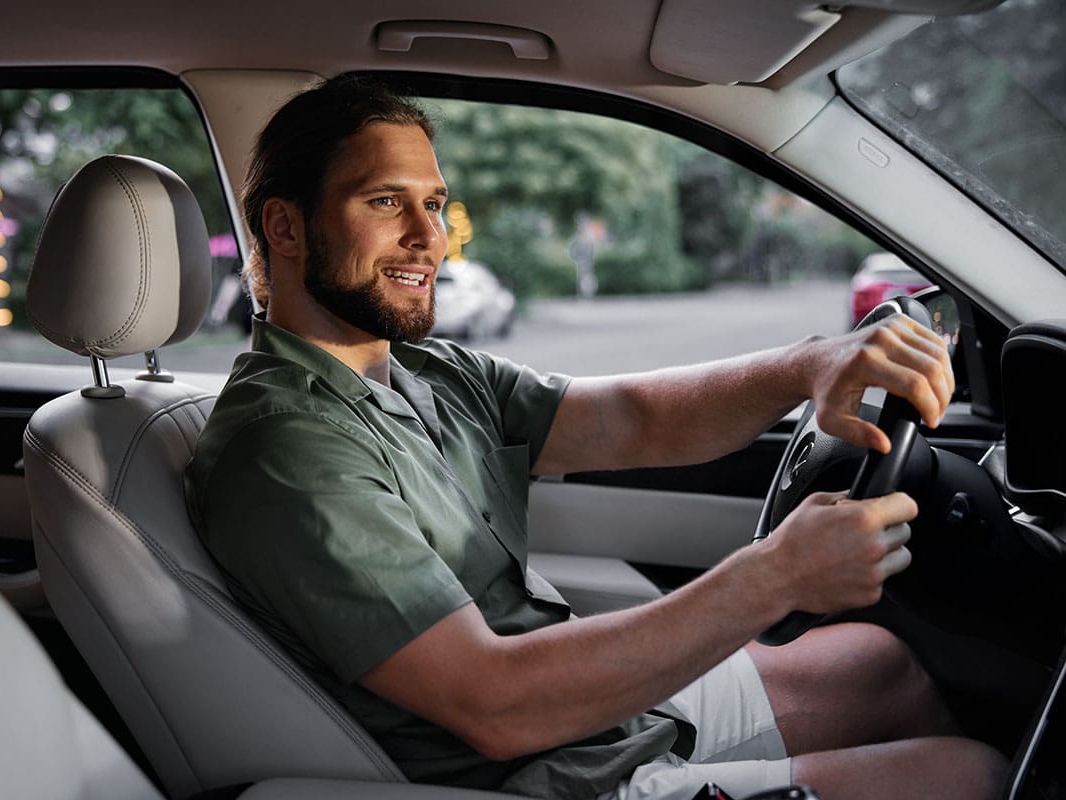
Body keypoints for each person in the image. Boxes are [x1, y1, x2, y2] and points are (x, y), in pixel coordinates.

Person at [185, 76, 1007, 800]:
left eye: (432, 203)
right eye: (384, 202)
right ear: (285, 229)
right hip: (550, 772)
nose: (430, 238)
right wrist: (777, 574)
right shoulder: (285, 449)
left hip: (591, 718)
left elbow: (631, 417)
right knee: (970, 779)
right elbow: (496, 705)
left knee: (879, 661)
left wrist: (809, 364)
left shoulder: (425, 370)